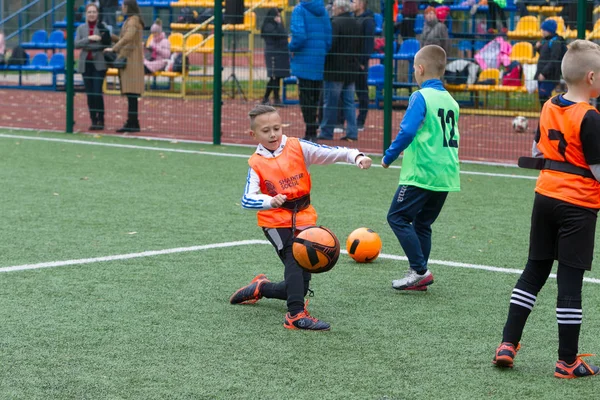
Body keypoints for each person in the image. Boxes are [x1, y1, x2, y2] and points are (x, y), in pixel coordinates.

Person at [493, 40, 600, 379]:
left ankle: (507, 344)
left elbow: (538, 149)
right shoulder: (592, 117)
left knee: (533, 272)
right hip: (577, 205)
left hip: (545, 198)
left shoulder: (549, 106)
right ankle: (567, 361)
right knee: (569, 283)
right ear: (592, 78)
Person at [231, 104, 372, 330]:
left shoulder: (297, 146)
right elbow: (247, 199)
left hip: (304, 217)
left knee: (299, 284)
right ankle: (295, 315)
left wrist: (356, 156)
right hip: (275, 221)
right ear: (253, 135)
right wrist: (269, 200)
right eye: (266, 131)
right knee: (294, 257)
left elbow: (332, 152)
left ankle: (261, 288)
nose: (273, 134)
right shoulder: (255, 163)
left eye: (276, 128)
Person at [382, 45, 460, 291]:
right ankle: (419, 275)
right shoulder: (451, 100)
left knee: (396, 217)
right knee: (423, 224)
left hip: (422, 173)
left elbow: (407, 130)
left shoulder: (420, 96)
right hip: (446, 174)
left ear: (420, 68)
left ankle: (419, 270)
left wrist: (389, 156)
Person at [317, 0, 362, 142]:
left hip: (335, 69)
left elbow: (330, 44)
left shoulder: (335, 23)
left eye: (335, 7)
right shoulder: (356, 23)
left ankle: (326, 131)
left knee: (330, 102)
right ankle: (352, 132)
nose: (334, 9)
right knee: (349, 102)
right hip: (351, 68)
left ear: (341, 8)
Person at [289, 0, 332, 142]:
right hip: (319, 59)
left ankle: (310, 131)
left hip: (303, 60)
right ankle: (313, 130)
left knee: (305, 98)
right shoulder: (323, 10)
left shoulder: (299, 10)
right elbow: (328, 38)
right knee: (315, 97)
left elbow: (299, 35)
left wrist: (291, 47)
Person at [105, 0, 144, 133]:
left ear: (128, 7)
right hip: (131, 59)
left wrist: (114, 49)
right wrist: (111, 37)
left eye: (123, 6)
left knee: (131, 93)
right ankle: (133, 121)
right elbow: (125, 37)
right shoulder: (131, 20)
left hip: (131, 60)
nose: (122, 8)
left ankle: (132, 122)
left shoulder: (133, 20)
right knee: (131, 94)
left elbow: (128, 37)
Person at [75, 3, 112, 130]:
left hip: (99, 63)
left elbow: (106, 43)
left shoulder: (102, 26)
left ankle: (101, 118)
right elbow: (76, 44)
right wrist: (89, 38)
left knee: (97, 92)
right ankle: (93, 120)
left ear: (97, 13)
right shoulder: (81, 28)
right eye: (89, 12)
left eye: (93, 12)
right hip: (86, 64)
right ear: (86, 14)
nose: (91, 14)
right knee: (89, 94)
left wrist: (91, 44)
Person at [260, 8, 290, 106]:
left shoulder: (278, 25)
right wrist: (279, 24)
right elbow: (279, 34)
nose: (279, 17)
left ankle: (271, 98)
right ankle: (271, 98)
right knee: (274, 76)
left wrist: (279, 24)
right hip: (273, 54)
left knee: (277, 77)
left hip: (280, 53)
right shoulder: (268, 26)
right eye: (277, 15)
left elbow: (284, 34)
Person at [535, 19, 567, 108]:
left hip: (549, 75)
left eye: (544, 30)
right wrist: (538, 48)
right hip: (542, 73)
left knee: (544, 96)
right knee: (542, 97)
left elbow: (554, 59)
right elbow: (545, 55)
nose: (542, 32)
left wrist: (544, 73)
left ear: (550, 30)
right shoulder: (546, 41)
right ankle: (545, 116)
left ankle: (549, 115)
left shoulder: (555, 41)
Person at [354, 0, 375, 131]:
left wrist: (363, 61)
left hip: (360, 61)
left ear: (361, 4)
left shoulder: (368, 20)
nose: (352, 3)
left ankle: (361, 120)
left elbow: (368, 42)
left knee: (362, 91)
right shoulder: (353, 18)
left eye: (355, 1)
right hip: (351, 61)